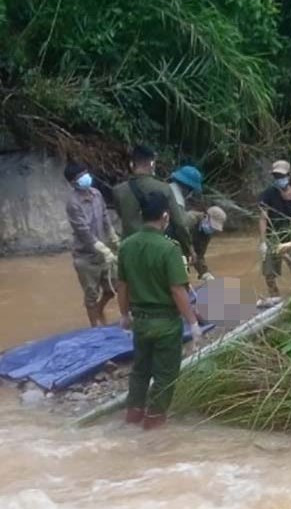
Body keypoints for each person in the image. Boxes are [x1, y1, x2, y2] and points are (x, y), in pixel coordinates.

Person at [116, 191, 203, 430]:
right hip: (165, 324)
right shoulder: (169, 249)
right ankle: (153, 427)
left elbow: (121, 286)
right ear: (165, 216)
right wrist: (193, 323)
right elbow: (177, 290)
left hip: (140, 322)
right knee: (165, 376)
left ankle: (132, 417)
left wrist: (124, 315)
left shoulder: (126, 246)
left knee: (140, 371)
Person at [112, 145, 195, 263]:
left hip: (129, 250)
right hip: (156, 250)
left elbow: (122, 215)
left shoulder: (118, 191)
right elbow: (180, 223)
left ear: (132, 164)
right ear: (152, 164)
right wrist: (189, 248)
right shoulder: (164, 189)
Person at [64, 162, 119, 327]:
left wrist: (112, 235)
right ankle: (95, 327)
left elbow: (104, 216)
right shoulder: (73, 203)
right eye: (81, 177)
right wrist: (102, 248)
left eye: (85, 173)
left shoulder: (96, 194)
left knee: (113, 288)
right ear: (73, 183)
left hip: (103, 252)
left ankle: (100, 308)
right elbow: (83, 231)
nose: (86, 177)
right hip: (85, 257)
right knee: (91, 295)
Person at [258, 159, 291, 298]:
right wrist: (263, 241)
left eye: (282, 176)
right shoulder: (268, 194)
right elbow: (263, 218)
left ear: (289, 176)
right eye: (276, 177)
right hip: (274, 234)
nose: (279, 179)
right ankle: (274, 296)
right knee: (269, 270)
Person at [186, 205, 227, 281]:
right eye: (212, 226)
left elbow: (199, 255)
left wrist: (204, 273)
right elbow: (181, 235)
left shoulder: (207, 234)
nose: (212, 230)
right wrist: (191, 251)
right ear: (206, 216)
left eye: (214, 229)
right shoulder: (190, 219)